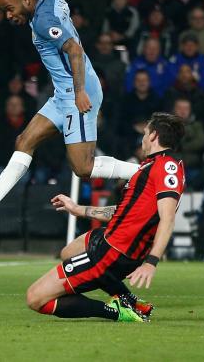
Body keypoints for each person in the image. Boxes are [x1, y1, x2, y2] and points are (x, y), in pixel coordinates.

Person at [0, 0, 136, 223]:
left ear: (26, 0)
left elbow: (75, 50)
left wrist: (79, 93)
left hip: (77, 91)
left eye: (10, 9)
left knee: (83, 167)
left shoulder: (43, 22)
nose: (8, 15)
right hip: (64, 91)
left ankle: (144, 172)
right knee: (24, 141)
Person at [25, 112, 186, 322]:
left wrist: (151, 262)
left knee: (35, 298)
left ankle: (117, 311)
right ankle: (128, 299)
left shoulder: (167, 167)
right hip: (111, 239)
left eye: (145, 133)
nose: (143, 138)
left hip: (114, 252)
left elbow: (167, 218)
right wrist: (78, 209)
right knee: (68, 252)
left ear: (154, 135)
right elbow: (124, 212)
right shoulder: (150, 166)